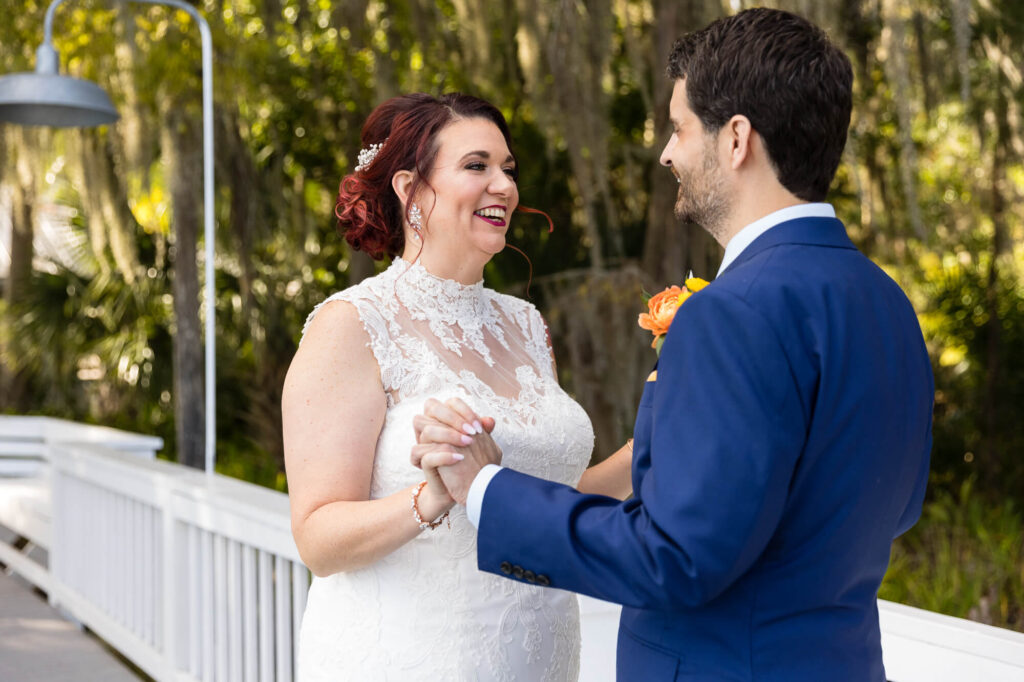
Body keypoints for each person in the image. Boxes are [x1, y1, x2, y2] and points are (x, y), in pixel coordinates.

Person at [414, 9, 934, 681]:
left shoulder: (733, 313)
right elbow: (899, 505)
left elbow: (675, 559)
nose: (666, 152)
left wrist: (486, 488)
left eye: (681, 127)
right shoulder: (885, 302)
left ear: (737, 139)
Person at [282, 92, 633, 681]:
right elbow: (318, 538)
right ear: (410, 189)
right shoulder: (351, 324)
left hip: (540, 657)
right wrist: (434, 497)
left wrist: (649, 445)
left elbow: (548, 495)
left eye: (508, 168)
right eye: (477, 166)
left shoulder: (525, 324)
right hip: (411, 658)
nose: (504, 185)